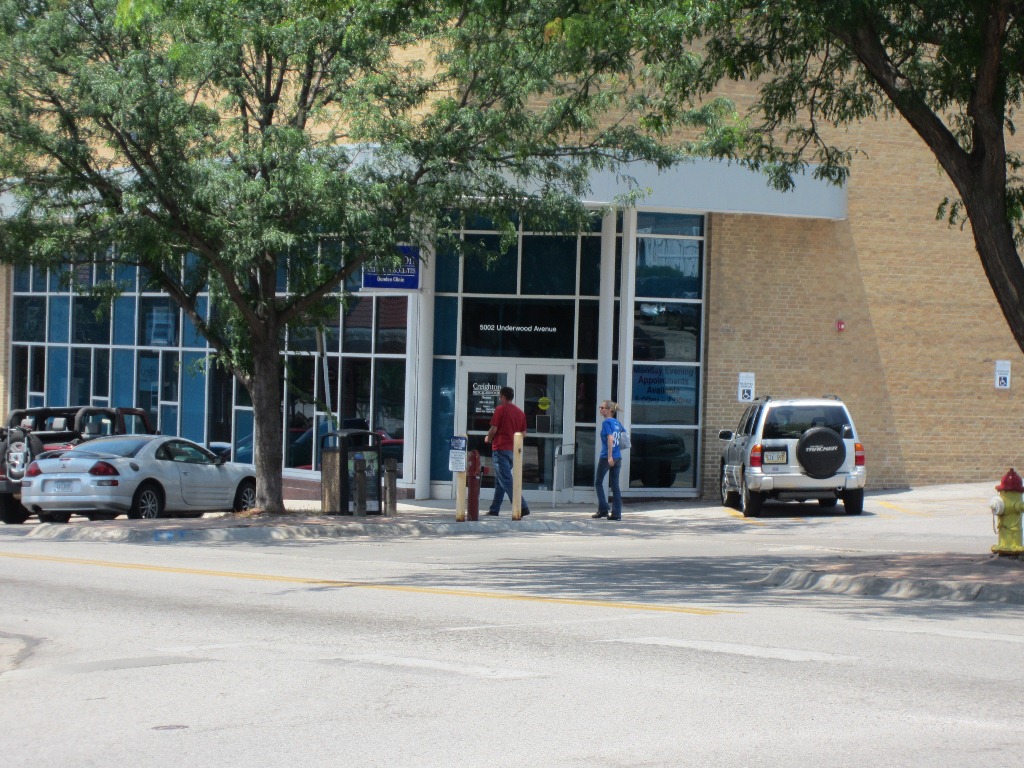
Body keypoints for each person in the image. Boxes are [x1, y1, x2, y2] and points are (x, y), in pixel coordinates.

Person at [483, 386, 531, 517]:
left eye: (500, 396)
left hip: (500, 449)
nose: (499, 398)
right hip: (512, 451)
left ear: (503, 397)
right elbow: (524, 433)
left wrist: (488, 438)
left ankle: (522, 506)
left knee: (506, 480)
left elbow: (493, 429)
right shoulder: (520, 413)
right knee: (501, 481)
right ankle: (494, 509)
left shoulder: (500, 409)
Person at [593, 400, 624, 520]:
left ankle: (604, 508)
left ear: (610, 410)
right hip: (618, 456)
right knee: (615, 486)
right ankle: (616, 514)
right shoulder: (617, 422)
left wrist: (610, 456)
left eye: (602, 408)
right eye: (600, 407)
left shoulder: (606, 422)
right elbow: (623, 435)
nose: (600, 410)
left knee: (598, 482)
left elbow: (610, 438)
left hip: (607, 456)